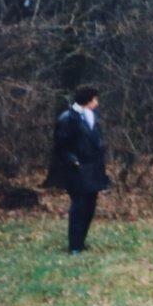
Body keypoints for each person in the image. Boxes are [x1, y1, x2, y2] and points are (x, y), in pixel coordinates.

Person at [44, 86, 111, 254]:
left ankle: (81, 241)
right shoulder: (67, 118)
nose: (97, 102)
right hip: (77, 170)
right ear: (88, 100)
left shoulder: (92, 116)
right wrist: (74, 161)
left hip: (93, 168)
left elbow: (95, 139)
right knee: (78, 207)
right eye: (95, 99)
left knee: (90, 206)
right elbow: (61, 146)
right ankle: (74, 245)